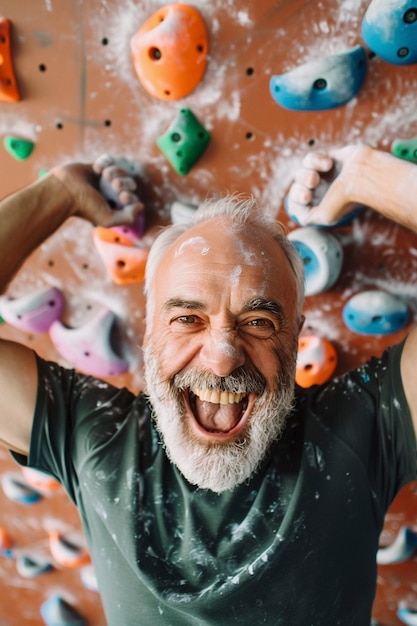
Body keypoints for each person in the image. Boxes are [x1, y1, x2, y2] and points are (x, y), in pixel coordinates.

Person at [0, 144, 416, 625]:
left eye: (258, 322)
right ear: (151, 330)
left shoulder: (364, 428)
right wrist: (58, 194)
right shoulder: (93, 434)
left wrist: (370, 177)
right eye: (188, 318)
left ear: (296, 338)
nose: (222, 359)